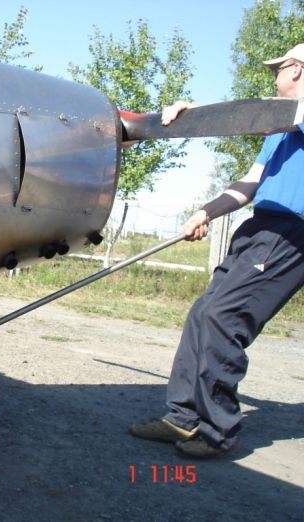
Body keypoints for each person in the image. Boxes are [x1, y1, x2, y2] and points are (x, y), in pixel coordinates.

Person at [130, 44, 304, 458]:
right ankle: (183, 417)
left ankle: (216, 431)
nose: (274, 78)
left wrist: (201, 115)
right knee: (203, 313)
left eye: (278, 70)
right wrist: (205, 211)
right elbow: (250, 183)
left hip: (291, 234)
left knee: (224, 319)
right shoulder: (282, 132)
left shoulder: (289, 118)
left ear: (297, 70)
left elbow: (255, 118)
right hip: (260, 228)